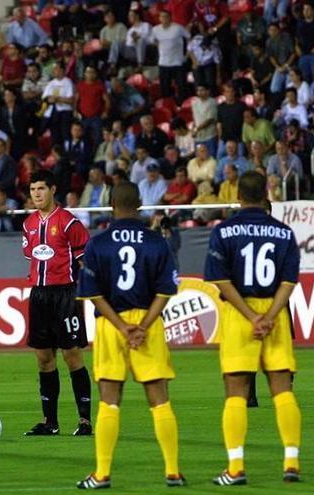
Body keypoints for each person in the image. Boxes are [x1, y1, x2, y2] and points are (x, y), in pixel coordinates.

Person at [75, 181, 185, 490]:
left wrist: (122, 327)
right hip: (147, 326)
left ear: (111, 205)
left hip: (112, 325)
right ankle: (173, 471)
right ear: (139, 205)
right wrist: (144, 325)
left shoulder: (98, 243)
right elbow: (166, 291)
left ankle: (102, 474)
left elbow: (93, 294)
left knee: (109, 401)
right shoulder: (155, 241)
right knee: (159, 400)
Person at [204, 171, 302, 485]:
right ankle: (291, 463)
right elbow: (289, 282)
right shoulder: (285, 232)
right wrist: (270, 315)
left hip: (239, 314)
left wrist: (250, 315)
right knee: (282, 390)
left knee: (236, 392)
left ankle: (235, 469)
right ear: (265, 194)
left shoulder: (224, 230)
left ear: (239, 196)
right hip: (275, 313)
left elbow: (221, 280)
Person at [21, 170, 93, 436]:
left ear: (52, 190)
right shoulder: (28, 224)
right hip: (39, 295)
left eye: (41, 188)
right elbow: (32, 256)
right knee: (43, 358)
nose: (37, 194)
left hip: (65, 294)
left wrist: (93, 292)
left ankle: (84, 420)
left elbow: (85, 261)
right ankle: (50, 422)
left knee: (71, 355)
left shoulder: (68, 223)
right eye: (32, 190)